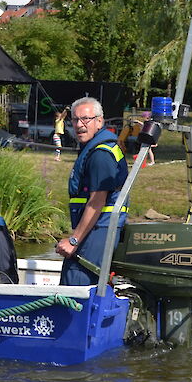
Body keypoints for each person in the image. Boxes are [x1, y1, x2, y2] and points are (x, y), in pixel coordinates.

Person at [55, 97, 129, 286]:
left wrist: (74, 240)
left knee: (76, 283)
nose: (80, 125)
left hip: (100, 229)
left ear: (99, 121)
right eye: (75, 119)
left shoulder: (100, 154)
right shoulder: (97, 147)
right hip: (98, 228)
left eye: (86, 119)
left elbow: (97, 202)